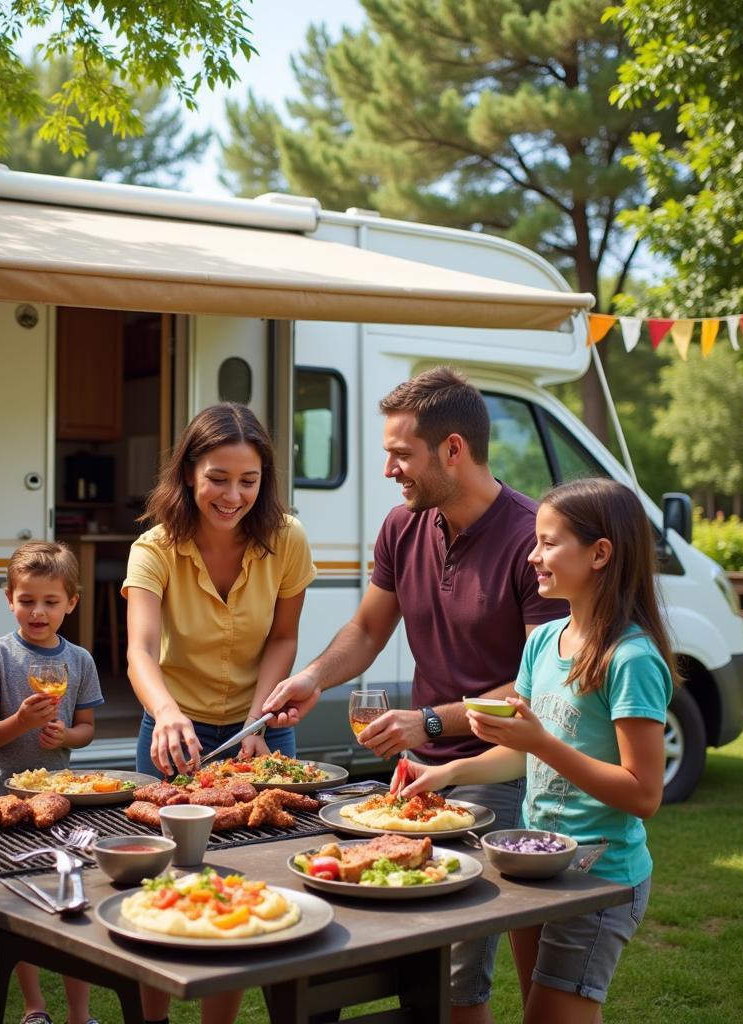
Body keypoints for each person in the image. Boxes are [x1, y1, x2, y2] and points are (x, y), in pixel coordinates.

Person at [263, 367, 566, 1024]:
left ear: (452, 449)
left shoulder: (534, 541)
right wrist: (312, 677)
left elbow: (539, 684)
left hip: (501, 770)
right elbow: (369, 627)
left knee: (460, 970)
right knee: (391, 943)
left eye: (401, 454)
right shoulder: (404, 527)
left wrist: (429, 721)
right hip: (418, 778)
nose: (388, 469)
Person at [397, 477, 675, 1023]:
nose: (532, 555)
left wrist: (541, 741)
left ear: (600, 554)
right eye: (536, 541)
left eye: (548, 543)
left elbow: (643, 794)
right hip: (537, 860)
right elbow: (520, 754)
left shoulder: (631, 660)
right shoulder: (545, 642)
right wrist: (448, 772)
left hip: (600, 874)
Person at [124, 402, 315, 1024]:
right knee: (165, 882)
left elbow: (283, 638)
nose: (233, 495)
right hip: (172, 734)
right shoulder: (154, 547)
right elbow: (139, 651)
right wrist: (168, 711)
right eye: (218, 478)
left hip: (261, 731)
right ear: (188, 474)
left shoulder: (286, 537)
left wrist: (260, 718)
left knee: (259, 881)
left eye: (248, 480)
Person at [0, 540, 103, 1024]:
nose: (38, 612)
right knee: (18, 910)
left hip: (58, 800)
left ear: (71, 603)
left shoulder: (80, 661)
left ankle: (80, 1015)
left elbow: (86, 730)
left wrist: (66, 734)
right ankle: (34, 1008)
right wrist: (19, 723)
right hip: (1, 799)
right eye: (27, 600)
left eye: (50, 601)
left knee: (71, 899)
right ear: (9, 599)